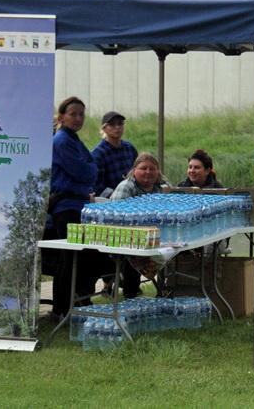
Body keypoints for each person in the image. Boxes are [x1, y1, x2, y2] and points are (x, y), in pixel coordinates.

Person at [47, 96, 111, 316]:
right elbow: (85, 171)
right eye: (73, 114)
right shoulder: (62, 141)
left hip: (79, 204)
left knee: (86, 254)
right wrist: (89, 168)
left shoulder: (73, 139)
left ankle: (78, 299)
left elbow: (91, 167)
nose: (77, 118)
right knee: (69, 257)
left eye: (81, 114)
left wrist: (89, 168)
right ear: (61, 117)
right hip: (66, 206)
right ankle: (61, 309)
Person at [110, 152, 168, 298]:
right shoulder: (126, 187)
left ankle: (167, 290)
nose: (148, 172)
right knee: (134, 253)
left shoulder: (161, 188)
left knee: (173, 250)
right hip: (124, 239)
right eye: (143, 168)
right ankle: (131, 294)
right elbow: (116, 219)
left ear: (158, 171)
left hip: (154, 238)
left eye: (152, 168)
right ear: (134, 170)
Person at [92, 111, 138, 198]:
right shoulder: (98, 154)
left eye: (120, 124)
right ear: (104, 129)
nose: (117, 127)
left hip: (132, 196)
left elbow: (138, 171)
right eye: (112, 124)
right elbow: (97, 185)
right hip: (108, 201)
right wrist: (117, 195)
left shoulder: (129, 148)